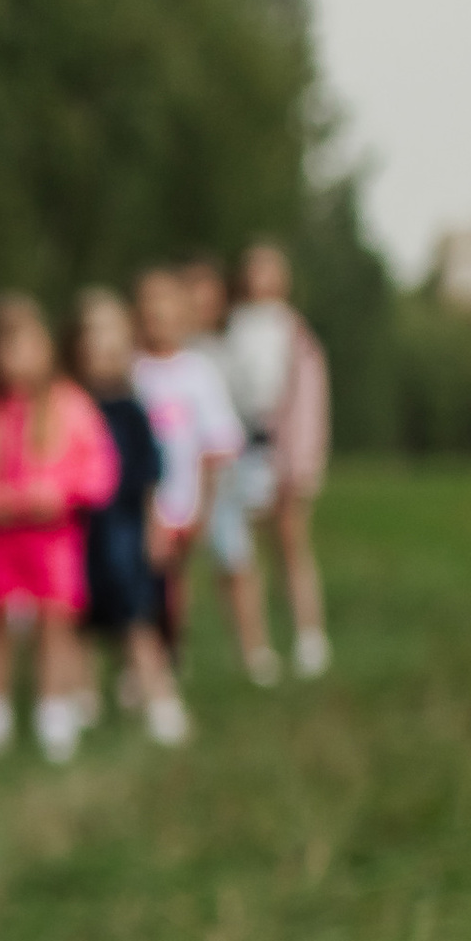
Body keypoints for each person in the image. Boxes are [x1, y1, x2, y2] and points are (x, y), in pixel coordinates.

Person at [0, 293, 117, 762]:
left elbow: (99, 469)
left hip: (54, 539)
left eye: (23, 345)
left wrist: (57, 494)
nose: (12, 358)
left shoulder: (69, 406)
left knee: (55, 625)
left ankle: (53, 707)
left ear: (45, 348)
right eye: (1, 347)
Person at [64, 290, 187, 743]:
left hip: (126, 531)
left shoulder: (132, 406)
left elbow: (152, 473)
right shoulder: (67, 402)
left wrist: (157, 529)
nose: (99, 343)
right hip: (78, 533)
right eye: (90, 332)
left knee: (137, 619)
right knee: (77, 623)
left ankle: (161, 702)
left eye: (109, 331)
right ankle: (81, 702)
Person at [222, 243, 332, 676]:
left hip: (284, 450)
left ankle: (309, 633)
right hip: (243, 450)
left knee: (291, 542)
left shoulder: (294, 333)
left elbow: (307, 405)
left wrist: (300, 462)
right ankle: (256, 644)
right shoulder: (234, 327)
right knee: (245, 551)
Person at [176, 255, 277, 682]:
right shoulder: (168, 357)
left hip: (224, 473)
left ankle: (255, 651)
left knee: (235, 561)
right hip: (177, 477)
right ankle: (170, 659)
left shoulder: (229, 349)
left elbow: (248, 411)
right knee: (173, 575)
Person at [131, 267, 241, 657]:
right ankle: (143, 660)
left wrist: (204, 510)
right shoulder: (130, 373)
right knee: (138, 583)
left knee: (173, 586)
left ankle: (171, 652)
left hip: (183, 504)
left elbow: (215, 448)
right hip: (138, 506)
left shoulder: (199, 373)